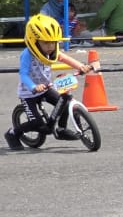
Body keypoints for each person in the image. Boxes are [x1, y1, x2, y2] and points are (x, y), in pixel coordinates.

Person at [5, 14, 93, 151]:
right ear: (34, 41)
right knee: (38, 124)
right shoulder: (28, 54)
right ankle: (13, 133)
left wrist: (81, 66)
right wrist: (33, 87)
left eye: (53, 42)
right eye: (46, 42)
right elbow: (23, 74)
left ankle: (61, 129)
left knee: (65, 102)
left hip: (46, 88)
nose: (51, 46)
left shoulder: (50, 52)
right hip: (29, 93)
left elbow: (64, 58)